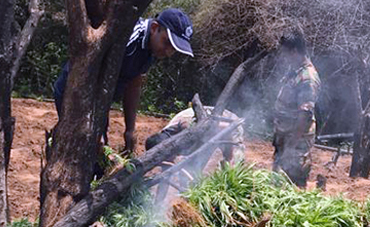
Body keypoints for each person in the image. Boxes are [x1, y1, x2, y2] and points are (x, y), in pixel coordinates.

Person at [53, 8, 194, 153]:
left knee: (94, 153)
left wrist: (130, 130)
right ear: (154, 28)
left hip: (99, 102)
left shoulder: (150, 49)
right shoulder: (129, 38)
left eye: (174, 49)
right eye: (167, 43)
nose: (169, 52)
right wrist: (93, 129)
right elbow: (88, 74)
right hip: (74, 92)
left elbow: (134, 83)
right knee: (80, 150)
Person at [272, 30, 320, 188]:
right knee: (278, 186)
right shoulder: (294, 73)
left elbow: (305, 116)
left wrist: (290, 147)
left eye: (285, 54)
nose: (283, 58)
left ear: (294, 52)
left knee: (293, 189)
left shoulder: (307, 77)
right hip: (285, 140)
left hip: (295, 145)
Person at [145, 106, 245, 164]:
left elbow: (227, 127)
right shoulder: (164, 136)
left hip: (230, 125)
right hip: (207, 130)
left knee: (233, 166)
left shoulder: (189, 126)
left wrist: (229, 157)